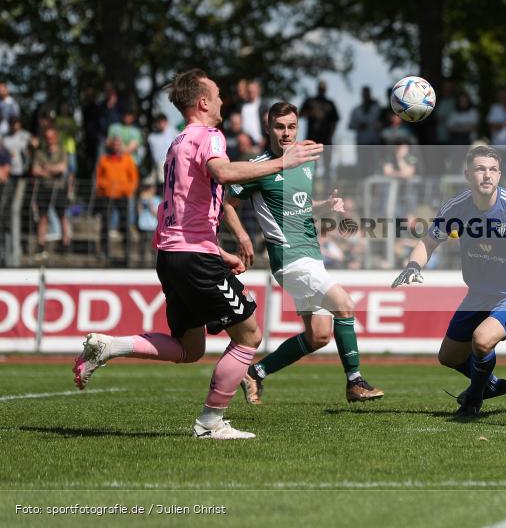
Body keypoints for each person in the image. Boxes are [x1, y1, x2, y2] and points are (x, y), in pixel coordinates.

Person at [72, 69, 323, 440]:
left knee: (190, 348)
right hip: (192, 258)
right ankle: (210, 423)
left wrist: (218, 252)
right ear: (203, 102)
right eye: (217, 95)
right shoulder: (209, 136)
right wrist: (281, 163)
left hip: (173, 256)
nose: (222, 101)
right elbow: (222, 173)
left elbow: (179, 212)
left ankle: (111, 346)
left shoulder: (176, 144)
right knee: (249, 337)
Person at [392, 145, 506, 417]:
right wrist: (414, 264)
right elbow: (429, 241)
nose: (486, 175)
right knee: (449, 357)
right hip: (478, 293)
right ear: (467, 174)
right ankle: (488, 383)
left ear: (499, 175)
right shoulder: (456, 207)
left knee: (482, 339)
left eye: (492, 170)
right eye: (479, 169)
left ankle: (473, 399)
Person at [222, 101, 383, 405]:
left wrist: (324, 207)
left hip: (311, 254)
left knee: (318, 336)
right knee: (344, 305)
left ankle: (255, 372)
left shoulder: (305, 159)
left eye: (292, 126)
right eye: (280, 126)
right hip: (289, 258)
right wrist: (242, 237)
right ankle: (355, 382)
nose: (286, 133)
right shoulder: (259, 167)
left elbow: (298, 206)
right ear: (268, 127)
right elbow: (227, 205)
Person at [94, 137, 139, 265]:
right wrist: (105, 187)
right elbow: (98, 178)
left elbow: (134, 178)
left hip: (122, 196)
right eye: (114, 144)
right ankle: (104, 252)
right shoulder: (104, 159)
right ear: (111, 146)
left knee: (125, 225)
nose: (116, 146)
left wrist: (127, 190)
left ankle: (127, 252)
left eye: (119, 144)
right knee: (105, 225)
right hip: (107, 196)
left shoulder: (127, 159)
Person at [31, 127, 70, 257]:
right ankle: (41, 245)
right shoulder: (39, 153)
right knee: (43, 217)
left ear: (56, 137)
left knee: (63, 216)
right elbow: (35, 170)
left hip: (59, 188)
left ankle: (65, 244)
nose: (49, 140)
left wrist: (46, 168)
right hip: (44, 188)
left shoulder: (62, 152)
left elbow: (63, 168)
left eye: (51, 137)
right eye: (47, 137)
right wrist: (52, 170)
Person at [146, 114, 177, 185]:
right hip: (157, 168)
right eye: (158, 122)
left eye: (162, 122)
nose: (160, 124)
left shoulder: (173, 132)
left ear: (166, 122)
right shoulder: (151, 137)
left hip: (172, 165)